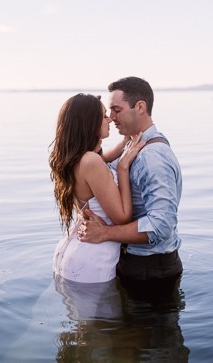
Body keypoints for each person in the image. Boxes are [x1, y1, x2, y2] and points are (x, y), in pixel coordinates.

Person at [79, 76, 183, 303]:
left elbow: (161, 226)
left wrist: (105, 233)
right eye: (110, 111)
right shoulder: (130, 145)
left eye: (116, 110)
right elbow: (101, 172)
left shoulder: (152, 156)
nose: (111, 117)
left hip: (151, 270)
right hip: (131, 263)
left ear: (140, 107)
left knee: (150, 338)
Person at [49, 92, 145, 283]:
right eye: (103, 115)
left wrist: (127, 139)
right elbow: (123, 216)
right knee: (99, 314)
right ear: (89, 123)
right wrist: (123, 167)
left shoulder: (78, 158)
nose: (109, 119)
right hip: (92, 258)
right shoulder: (91, 162)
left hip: (76, 250)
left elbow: (104, 159)